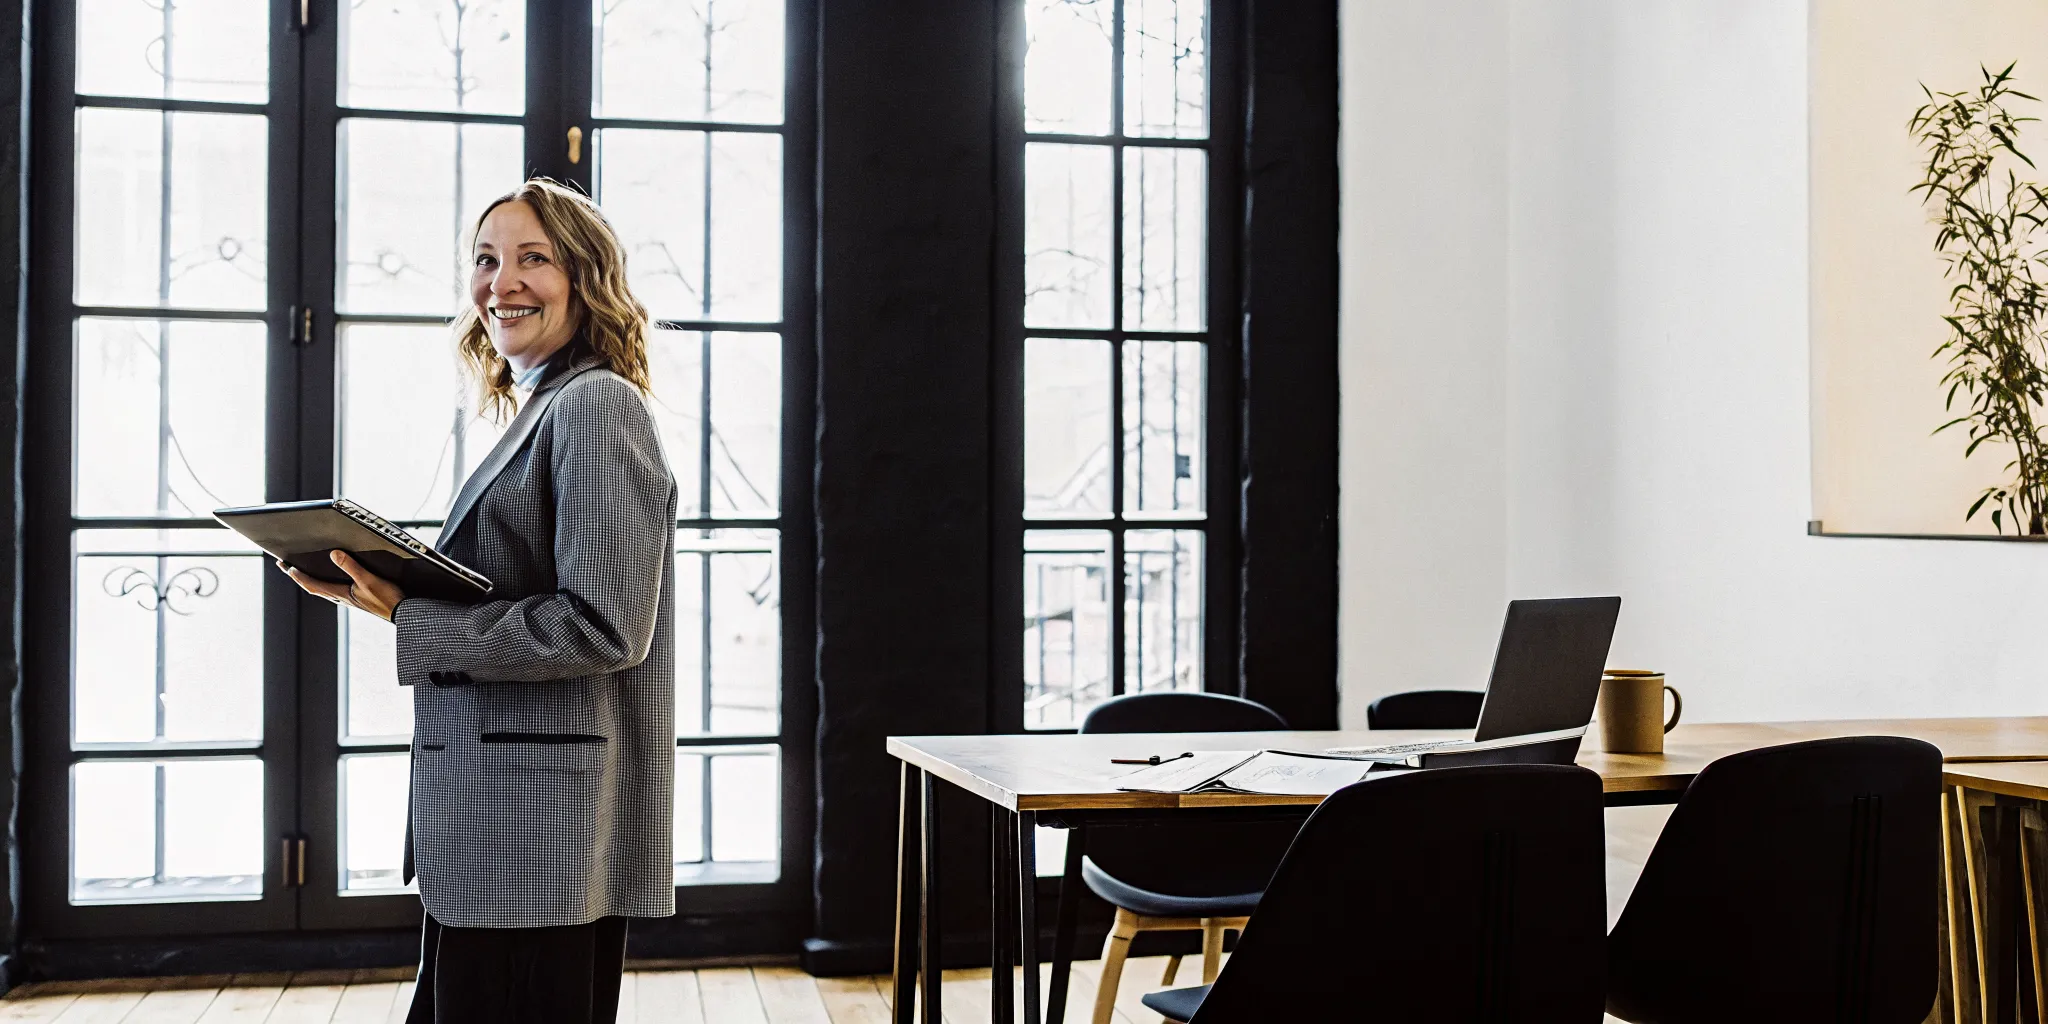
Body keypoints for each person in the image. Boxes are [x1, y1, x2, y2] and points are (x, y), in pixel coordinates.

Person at [282, 178, 676, 1023]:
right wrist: (391, 585)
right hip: (507, 829)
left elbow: (604, 630)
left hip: (538, 837)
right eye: (487, 259)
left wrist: (407, 613)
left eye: (534, 258)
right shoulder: (545, 407)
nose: (503, 282)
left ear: (586, 276)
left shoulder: (596, 406)